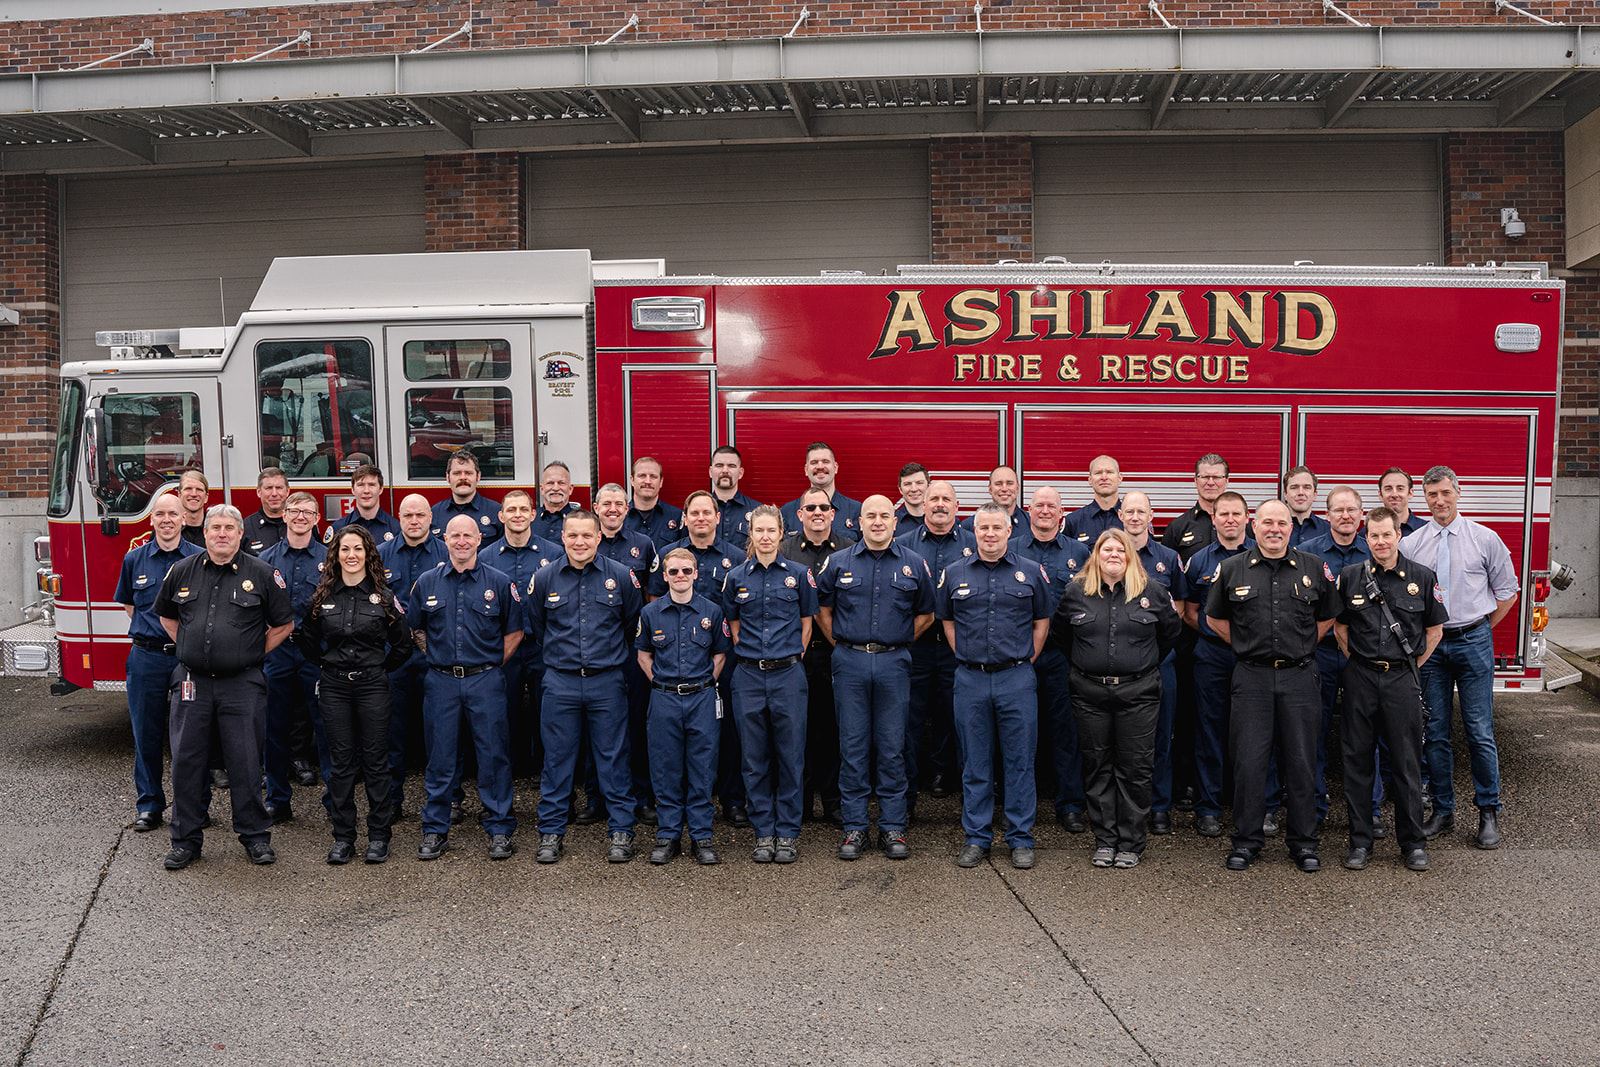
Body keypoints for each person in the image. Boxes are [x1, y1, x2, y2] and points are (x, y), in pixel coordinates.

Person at [154, 504, 293, 870]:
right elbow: (167, 615)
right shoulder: (182, 571)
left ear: (240, 534)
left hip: (242, 684)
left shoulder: (262, 573)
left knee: (245, 762)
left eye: (229, 528)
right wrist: (190, 647)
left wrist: (250, 652)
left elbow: (283, 624)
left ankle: (255, 836)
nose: (221, 534)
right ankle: (185, 841)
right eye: (215, 527)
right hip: (192, 683)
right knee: (187, 762)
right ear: (205, 533)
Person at [1205, 499, 1339, 873]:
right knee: (1249, 763)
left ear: (1290, 528)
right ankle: (1246, 842)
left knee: (1302, 761)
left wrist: (1302, 645)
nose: (1274, 529)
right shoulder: (1232, 569)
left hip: (1300, 676)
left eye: (1281, 523)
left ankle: (1304, 843)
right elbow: (1214, 618)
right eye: (1267, 523)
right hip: (1252, 677)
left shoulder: (1313, 567)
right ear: (1254, 526)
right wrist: (1246, 645)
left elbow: (1328, 616)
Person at [1402, 465, 1519, 849]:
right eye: (1432, 494)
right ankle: (1443, 811)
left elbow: (1507, 592)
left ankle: (1488, 812)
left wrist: (1480, 628)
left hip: (1473, 641)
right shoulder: (1412, 545)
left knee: (1479, 730)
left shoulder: (1484, 539)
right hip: (1432, 648)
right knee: (1435, 732)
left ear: (1458, 492)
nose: (1439, 501)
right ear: (1424, 498)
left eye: (1445, 493)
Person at [815, 494, 935, 860]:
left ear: (895, 522)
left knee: (892, 746)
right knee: (852, 746)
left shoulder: (914, 564)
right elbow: (822, 608)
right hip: (849, 662)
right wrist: (842, 644)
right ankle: (854, 828)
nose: (878, 521)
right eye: (871, 516)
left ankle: (892, 826)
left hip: (894, 662)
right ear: (859, 522)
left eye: (885, 515)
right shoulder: (838, 562)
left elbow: (927, 614)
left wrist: (899, 641)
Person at [1054, 529, 1181, 868]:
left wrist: (1139, 665)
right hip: (1089, 693)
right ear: (1095, 556)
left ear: (1130, 556)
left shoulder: (1153, 592)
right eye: (1106, 549)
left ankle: (1131, 843)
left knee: (1135, 768)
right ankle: (1105, 840)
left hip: (1138, 693)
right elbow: (1062, 635)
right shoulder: (1076, 592)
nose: (1113, 555)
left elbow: (1170, 634)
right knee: (1097, 766)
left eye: (1120, 550)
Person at [936, 503, 1053, 870]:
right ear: (974, 532)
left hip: (1016, 677)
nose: (989, 534)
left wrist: (1026, 659)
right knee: (975, 761)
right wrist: (966, 654)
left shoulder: (1030, 572)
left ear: (1008, 531)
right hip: (970, 678)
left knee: (1019, 760)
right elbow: (947, 621)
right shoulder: (954, 572)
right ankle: (977, 837)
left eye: (996, 528)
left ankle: (1020, 837)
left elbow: (1042, 620)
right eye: (983, 528)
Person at [527, 510, 645, 864]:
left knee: (613, 757)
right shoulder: (544, 577)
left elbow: (631, 625)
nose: (580, 542)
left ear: (598, 538)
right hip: (560, 681)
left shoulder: (621, 576)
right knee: (557, 759)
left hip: (606, 681)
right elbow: (538, 627)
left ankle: (622, 830)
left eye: (586, 536)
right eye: (573, 535)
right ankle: (551, 831)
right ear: (563, 537)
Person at [406, 515, 523, 861]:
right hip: (441, 680)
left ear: (479, 539)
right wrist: (438, 658)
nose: (461, 541)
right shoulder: (427, 582)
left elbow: (515, 631)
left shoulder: (499, 582)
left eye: (467, 535)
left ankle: (500, 828)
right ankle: (435, 828)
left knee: (493, 755)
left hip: (485, 679)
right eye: (454, 535)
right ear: (444, 539)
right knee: (440, 756)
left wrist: (489, 664)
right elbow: (416, 629)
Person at [1334, 506, 1445, 872]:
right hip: (1361, 677)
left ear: (1399, 535)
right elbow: (1340, 628)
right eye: (1374, 535)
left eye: (1387, 534)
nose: (1381, 541)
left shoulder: (1422, 577)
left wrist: (1409, 667)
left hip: (1401, 680)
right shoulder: (1350, 577)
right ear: (1366, 538)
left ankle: (1412, 843)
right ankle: (1360, 842)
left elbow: (1434, 631)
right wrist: (1360, 662)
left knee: (1406, 763)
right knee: (1358, 762)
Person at [296, 526, 413, 865]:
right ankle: (343, 837)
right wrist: (328, 665)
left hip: (372, 685)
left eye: (358, 549)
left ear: (368, 554)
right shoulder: (321, 598)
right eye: (345, 549)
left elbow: (402, 645)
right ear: (335, 555)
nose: (351, 555)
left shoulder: (384, 597)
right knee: (341, 763)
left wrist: (378, 668)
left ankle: (378, 836)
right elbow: (306, 641)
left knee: (376, 762)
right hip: (334, 687)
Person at [723, 507, 818, 863]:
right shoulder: (735, 577)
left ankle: (788, 832)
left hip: (788, 675)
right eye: (758, 530)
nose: (765, 537)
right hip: (748, 675)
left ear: (781, 533)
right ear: (751, 534)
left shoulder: (799, 575)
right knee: (754, 757)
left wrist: (790, 657)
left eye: (770, 530)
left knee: (791, 755)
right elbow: (733, 624)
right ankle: (763, 831)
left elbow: (807, 624)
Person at [654, 490, 747, 824]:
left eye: (707, 512)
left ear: (718, 517)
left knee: (728, 731)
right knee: (677, 740)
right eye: (694, 513)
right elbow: (654, 602)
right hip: (677, 660)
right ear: (685, 517)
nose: (701, 518)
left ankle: (732, 799)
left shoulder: (736, 557)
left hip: (724, 657)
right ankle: (679, 804)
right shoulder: (669, 555)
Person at [637, 547, 732, 866]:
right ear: (665, 576)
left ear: (696, 574)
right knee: (665, 768)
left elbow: (720, 654)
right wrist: (661, 684)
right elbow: (643, 655)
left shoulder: (711, 612)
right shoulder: (650, 613)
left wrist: (703, 684)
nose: (680, 576)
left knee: (702, 768)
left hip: (701, 699)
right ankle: (668, 836)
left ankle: (702, 837)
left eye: (686, 571)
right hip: (664, 699)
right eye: (674, 571)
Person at [115, 491, 202, 832]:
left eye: (173, 514)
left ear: (184, 519)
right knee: (145, 734)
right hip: (146, 658)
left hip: (186, 659)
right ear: (151, 520)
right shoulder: (134, 559)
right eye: (160, 514)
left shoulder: (198, 559)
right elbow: (130, 606)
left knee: (191, 738)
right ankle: (149, 805)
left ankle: (193, 806)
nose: (166, 520)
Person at [1012, 486, 1090, 833]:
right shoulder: (1011, 548)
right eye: (1039, 505)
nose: (1045, 510)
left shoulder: (1079, 552)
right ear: (1029, 511)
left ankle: (1070, 804)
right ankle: (1017, 803)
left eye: (1051, 506)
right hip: (1019, 657)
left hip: (1062, 656)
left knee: (1065, 731)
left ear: (1062, 513)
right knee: (1018, 733)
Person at [895, 479, 975, 806]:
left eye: (946, 499)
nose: (940, 504)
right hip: (916, 646)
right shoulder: (902, 545)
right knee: (910, 718)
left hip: (959, 648)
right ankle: (908, 790)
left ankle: (950, 778)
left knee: (956, 717)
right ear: (923, 505)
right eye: (934, 499)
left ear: (957, 507)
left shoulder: (974, 544)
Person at [1180, 491, 1254, 838]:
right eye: (1223, 514)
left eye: (1236, 514)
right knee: (1208, 730)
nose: (1230, 520)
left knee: (1252, 733)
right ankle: (1207, 807)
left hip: (1253, 658)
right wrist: (1220, 635)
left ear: (1247, 518)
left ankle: (1248, 806)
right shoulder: (1199, 561)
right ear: (1214, 519)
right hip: (1211, 657)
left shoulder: (1260, 556)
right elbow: (1189, 611)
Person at [780, 486, 855, 827]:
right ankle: (802, 802)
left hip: (835, 654)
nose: (817, 513)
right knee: (798, 732)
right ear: (799, 514)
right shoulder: (785, 551)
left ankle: (833, 801)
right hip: (796, 656)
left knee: (833, 730)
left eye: (824, 507)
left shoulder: (850, 550)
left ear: (833, 512)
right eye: (810, 508)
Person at [1300, 486, 1373, 831]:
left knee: (1365, 735)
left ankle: (1369, 810)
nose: (1345, 516)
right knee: (1313, 732)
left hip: (1363, 655)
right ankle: (1313, 808)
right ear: (1326, 515)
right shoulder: (1308, 554)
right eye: (1338, 510)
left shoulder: (1375, 550)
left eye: (1351, 510)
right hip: (1322, 653)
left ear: (1362, 515)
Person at [1117, 490, 1187, 835]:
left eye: (1140, 512)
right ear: (1120, 516)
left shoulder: (1168, 558)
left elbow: (1180, 610)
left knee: (1161, 736)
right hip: (1117, 665)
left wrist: (1155, 653)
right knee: (1119, 741)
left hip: (1160, 664)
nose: (1134, 517)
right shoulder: (1107, 554)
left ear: (1151, 516)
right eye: (1129, 511)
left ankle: (1159, 806)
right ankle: (1121, 806)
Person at [259, 491, 330, 823]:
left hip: (316, 653)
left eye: (308, 512)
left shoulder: (331, 560)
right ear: (284, 515)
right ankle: (277, 799)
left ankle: (335, 800)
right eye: (295, 511)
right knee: (275, 727)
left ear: (317, 519)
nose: (301, 517)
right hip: (279, 652)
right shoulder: (265, 560)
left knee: (327, 728)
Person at [378, 493, 450, 820]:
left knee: (441, 732)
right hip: (394, 657)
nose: (414, 521)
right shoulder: (381, 555)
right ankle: (392, 799)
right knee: (391, 731)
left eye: (420, 515)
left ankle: (449, 798)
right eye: (408, 515)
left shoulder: (446, 553)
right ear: (399, 518)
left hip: (434, 654)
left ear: (430, 518)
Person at [482, 489, 560, 780]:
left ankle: (545, 770)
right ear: (501, 516)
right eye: (511, 510)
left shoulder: (554, 555)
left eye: (523, 509)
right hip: (503, 648)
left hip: (542, 647)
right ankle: (511, 770)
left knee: (547, 712)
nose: (517, 515)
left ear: (532, 514)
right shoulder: (486, 557)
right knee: (505, 711)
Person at [596, 482, 659, 821]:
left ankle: (641, 794)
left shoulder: (643, 544)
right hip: (596, 650)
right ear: (596, 507)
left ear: (627, 508)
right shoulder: (584, 540)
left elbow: (653, 598)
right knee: (598, 727)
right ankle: (597, 797)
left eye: (619, 503)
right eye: (606, 503)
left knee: (636, 723)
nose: (612, 509)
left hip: (632, 650)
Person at [780, 442, 861, 539]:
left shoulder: (856, 510)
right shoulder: (787, 512)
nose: (820, 467)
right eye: (814, 462)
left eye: (825, 461)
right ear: (806, 470)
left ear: (835, 468)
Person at [1161, 453, 1229, 563]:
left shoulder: (1242, 526)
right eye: (1205, 477)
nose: (1210, 482)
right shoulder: (1177, 527)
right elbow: (1167, 568)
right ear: (1195, 481)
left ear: (1226, 481)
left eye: (1216, 477)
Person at [432, 451, 503, 543]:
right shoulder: (435, 513)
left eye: (468, 473)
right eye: (457, 473)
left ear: (478, 476)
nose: (463, 477)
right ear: (448, 477)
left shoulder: (496, 512)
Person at [329, 463, 400, 545]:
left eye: (371, 485)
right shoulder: (338, 528)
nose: (366, 491)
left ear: (380, 489)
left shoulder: (396, 529)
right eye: (361, 485)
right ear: (353, 490)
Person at [623, 456, 683, 548]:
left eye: (653, 476)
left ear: (661, 482)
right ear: (632, 480)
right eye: (642, 476)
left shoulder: (677, 516)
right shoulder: (620, 517)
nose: (648, 481)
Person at [1063, 455, 1124, 543]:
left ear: (1119, 478)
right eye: (1098, 473)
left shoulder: (1132, 519)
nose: (1104, 477)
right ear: (1090, 480)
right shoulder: (1073, 521)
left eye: (1109, 472)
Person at [710, 445, 762, 549]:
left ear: (740, 473)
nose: (725, 470)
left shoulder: (758, 511)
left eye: (731, 466)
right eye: (719, 465)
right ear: (710, 472)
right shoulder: (697, 511)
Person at [959, 466, 1024, 532]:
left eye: (1009, 483)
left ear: (1017, 488)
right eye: (998, 484)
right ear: (990, 489)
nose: (1004, 489)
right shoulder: (968, 526)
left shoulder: (1029, 523)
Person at [244, 467, 292, 554]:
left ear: (287, 491)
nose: (274, 494)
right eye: (269, 488)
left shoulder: (300, 523)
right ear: (259, 492)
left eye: (279, 488)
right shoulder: (246, 527)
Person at [531, 460, 582, 543]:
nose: (556, 488)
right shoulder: (529, 520)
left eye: (561, 483)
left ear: (570, 489)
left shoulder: (583, 520)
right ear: (542, 489)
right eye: (550, 483)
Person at [1282, 466, 1331, 547]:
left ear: (1315, 495)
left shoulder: (1329, 530)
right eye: (1294, 487)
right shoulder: (1274, 529)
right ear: (1285, 495)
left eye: (1306, 487)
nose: (1300, 492)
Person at [1379, 467, 1429, 535]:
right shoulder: (1368, 532)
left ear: (1410, 493)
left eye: (1400, 488)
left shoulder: (1427, 531)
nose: (1394, 494)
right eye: (1388, 489)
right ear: (1380, 494)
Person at [177, 468, 210, 547]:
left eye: (199, 489)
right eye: (188, 489)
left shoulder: (217, 530)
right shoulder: (168, 529)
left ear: (206, 497)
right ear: (179, 495)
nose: (194, 494)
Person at [895, 462, 930, 528]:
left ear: (928, 486)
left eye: (919, 483)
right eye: (907, 484)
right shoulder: (892, 522)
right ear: (900, 490)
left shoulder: (941, 520)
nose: (914, 489)